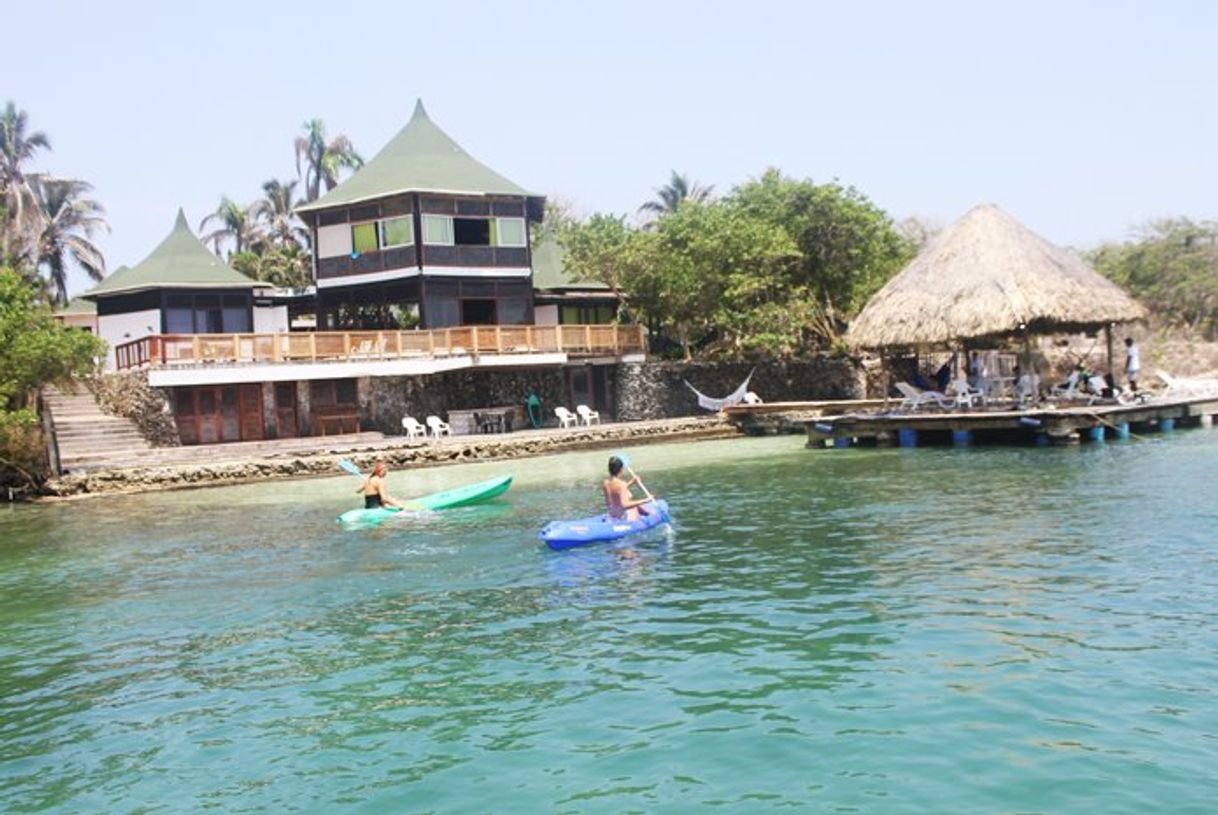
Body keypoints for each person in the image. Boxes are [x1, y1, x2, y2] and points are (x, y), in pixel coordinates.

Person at [602, 456, 653, 522]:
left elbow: (616, 491)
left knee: (633, 504)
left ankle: (647, 513)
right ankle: (649, 514)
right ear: (621, 470)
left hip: (611, 517)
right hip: (623, 518)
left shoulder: (605, 483)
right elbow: (624, 505)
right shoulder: (621, 484)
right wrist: (646, 500)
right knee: (635, 506)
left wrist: (632, 482)